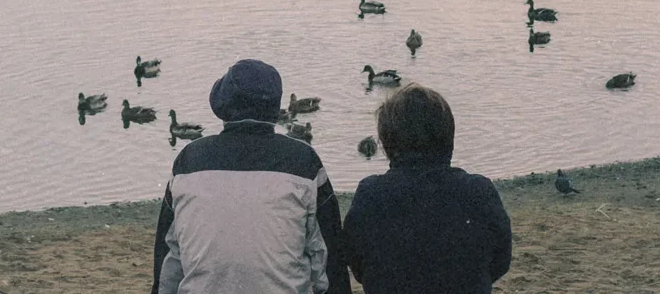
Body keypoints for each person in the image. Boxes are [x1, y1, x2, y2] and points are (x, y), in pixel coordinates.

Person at [151, 58, 351, 294]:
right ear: (275, 109)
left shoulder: (188, 161)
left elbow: (168, 266)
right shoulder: (303, 161)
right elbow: (328, 261)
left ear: (222, 104)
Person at [343, 83, 512, 294]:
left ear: (387, 144)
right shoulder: (478, 191)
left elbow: (356, 262)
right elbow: (500, 260)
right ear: (448, 137)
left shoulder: (371, 195)